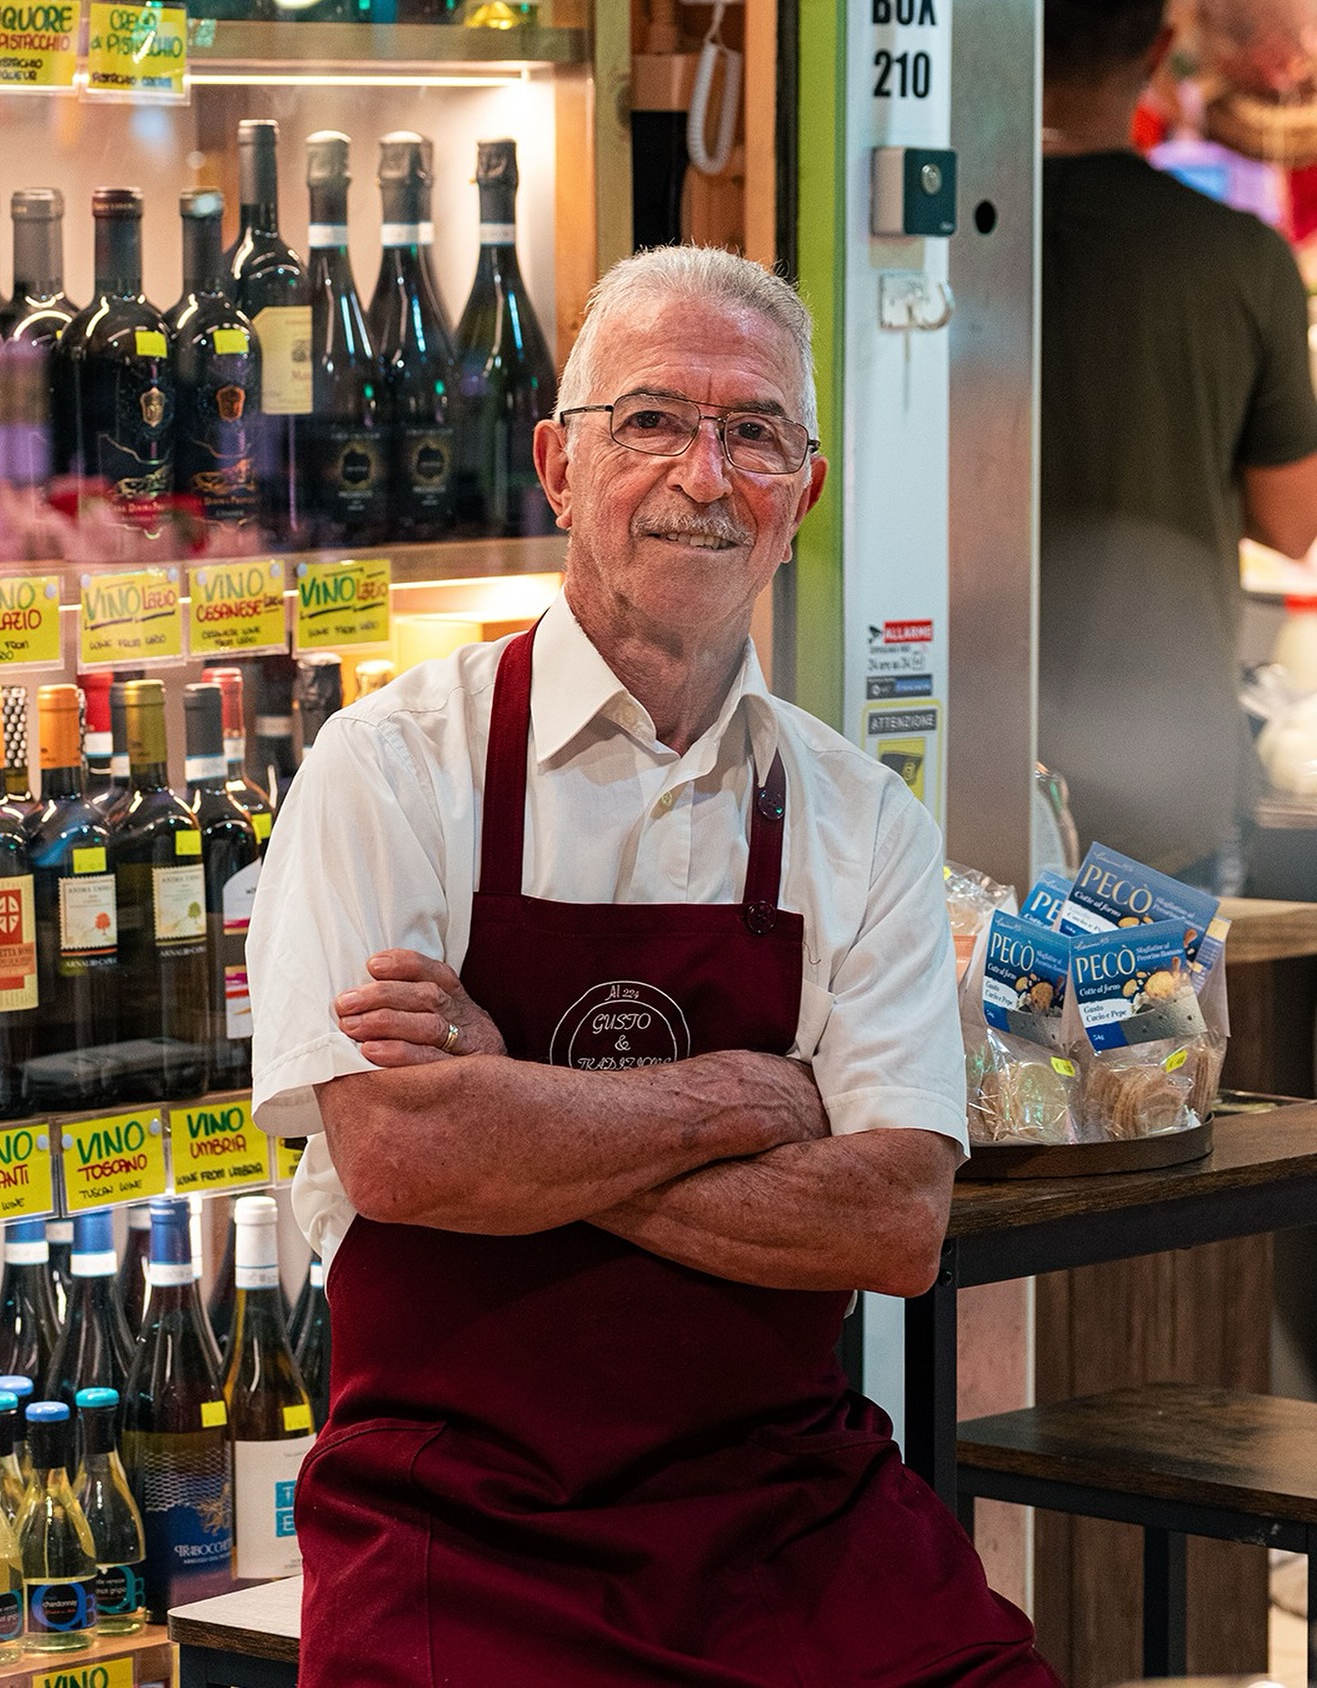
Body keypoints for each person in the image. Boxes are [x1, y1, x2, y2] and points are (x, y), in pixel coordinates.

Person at [248, 245, 1057, 1685]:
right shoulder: (391, 768)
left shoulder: (857, 818)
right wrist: (758, 1096)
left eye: (754, 433)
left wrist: (515, 1099)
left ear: (799, 501)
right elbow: (404, 1160)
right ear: (560, 466)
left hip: (784, 1512)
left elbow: (892, 1224)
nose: (704, 472)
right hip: (457, 1523)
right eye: (652, 422)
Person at [1040, 0, 1317, 889]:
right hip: (1164, 785)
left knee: (958, 1032)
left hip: (951, 760)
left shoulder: (936, 242)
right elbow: (1291, 522)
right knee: (1151, 1033)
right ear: (1160, 52)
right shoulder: (1240, 257)